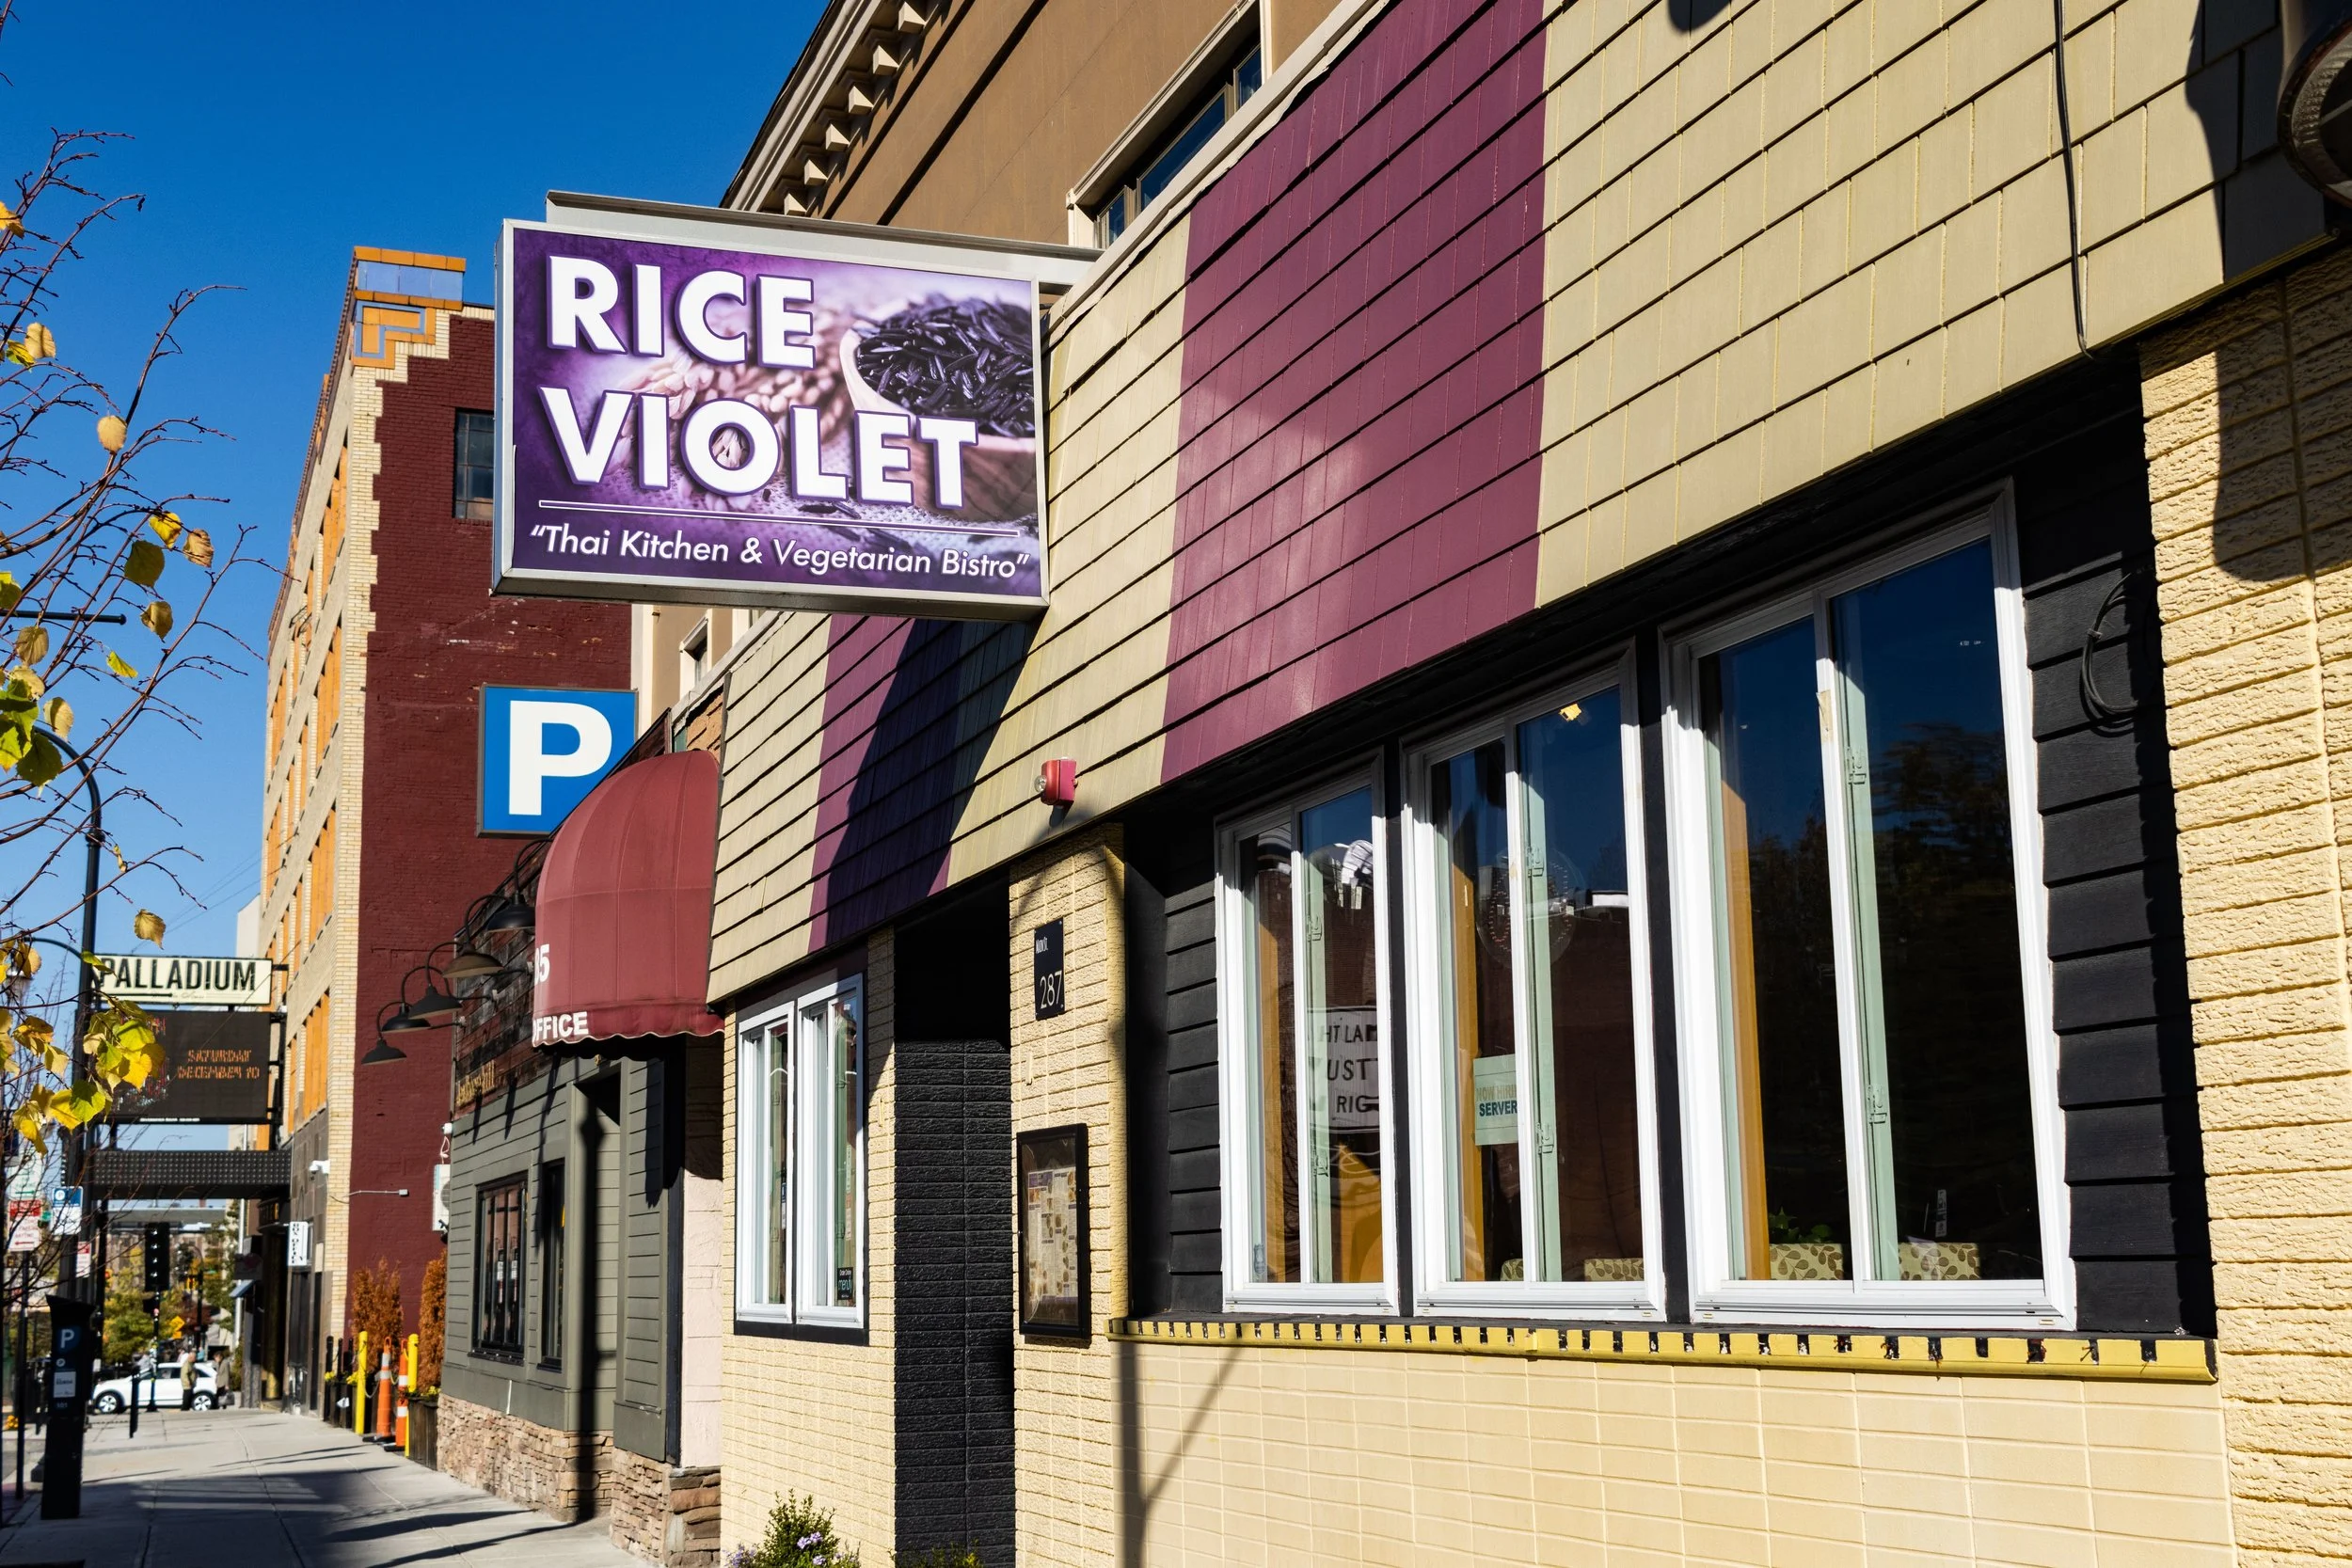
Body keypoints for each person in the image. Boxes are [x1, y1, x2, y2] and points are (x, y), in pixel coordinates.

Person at [176, 1343, 195, 1410]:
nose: (195, 1359)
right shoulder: (186, 1364)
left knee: (188, 1396)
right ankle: (184, 1408)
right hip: (187, 1384)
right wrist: (187, 1382)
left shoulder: (190, 1364)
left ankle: (186, 1408)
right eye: (194, 1358)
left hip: (189, 1384)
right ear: (190, 1357)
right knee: (186, 1397)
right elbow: (184, 1374)